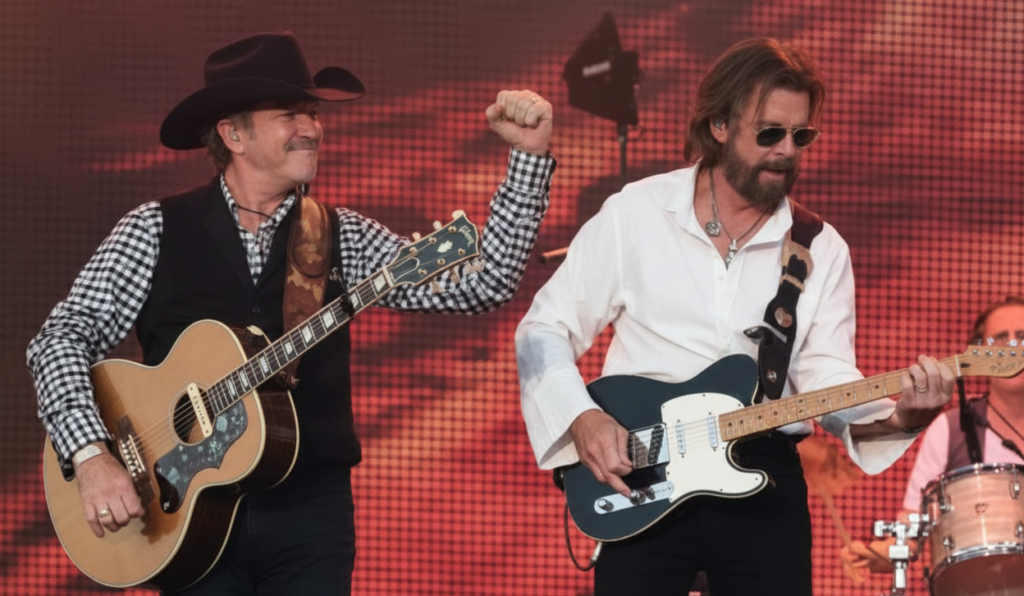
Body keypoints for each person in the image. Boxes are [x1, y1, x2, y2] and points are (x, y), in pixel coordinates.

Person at [28, 31, 555, 595]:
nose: (312, 128)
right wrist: (91, 454)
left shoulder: (340, 234)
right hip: (181, 519)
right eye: (289, 114)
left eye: (313, 114)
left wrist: (528, 156)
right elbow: (59, 339)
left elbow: (484, 284)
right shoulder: (153, 229)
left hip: (309, 519)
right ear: (233, 135)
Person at [515, 37, 953, 596]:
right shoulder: (636, 213)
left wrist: (902, 418)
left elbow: (827, 376)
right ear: (719, 125)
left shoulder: (820, 247)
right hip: (642, 470)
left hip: (764, 481)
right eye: (769, 133)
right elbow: (544, 328)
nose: (787, 151)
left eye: (801, 136)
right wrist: (582, 418)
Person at [841, 296, 1024, 577]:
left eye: (1021, 337)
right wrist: (885, 553)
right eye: (999, 339)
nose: (1011, 347)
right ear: (977, 353)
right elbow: (914, 525)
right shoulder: (950, 429)